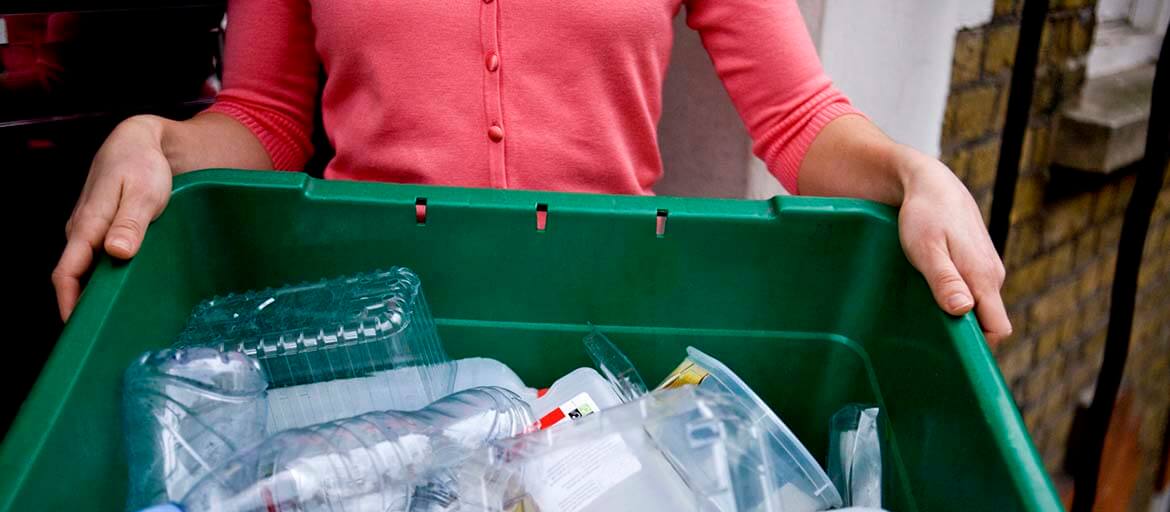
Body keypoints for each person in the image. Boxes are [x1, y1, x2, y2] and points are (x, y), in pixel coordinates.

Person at [53, 0, 1010, 345]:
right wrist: (160, 143)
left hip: (595, 323)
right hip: (376, 329)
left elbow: (800, 121)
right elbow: (264, 116)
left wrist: (910, 173)